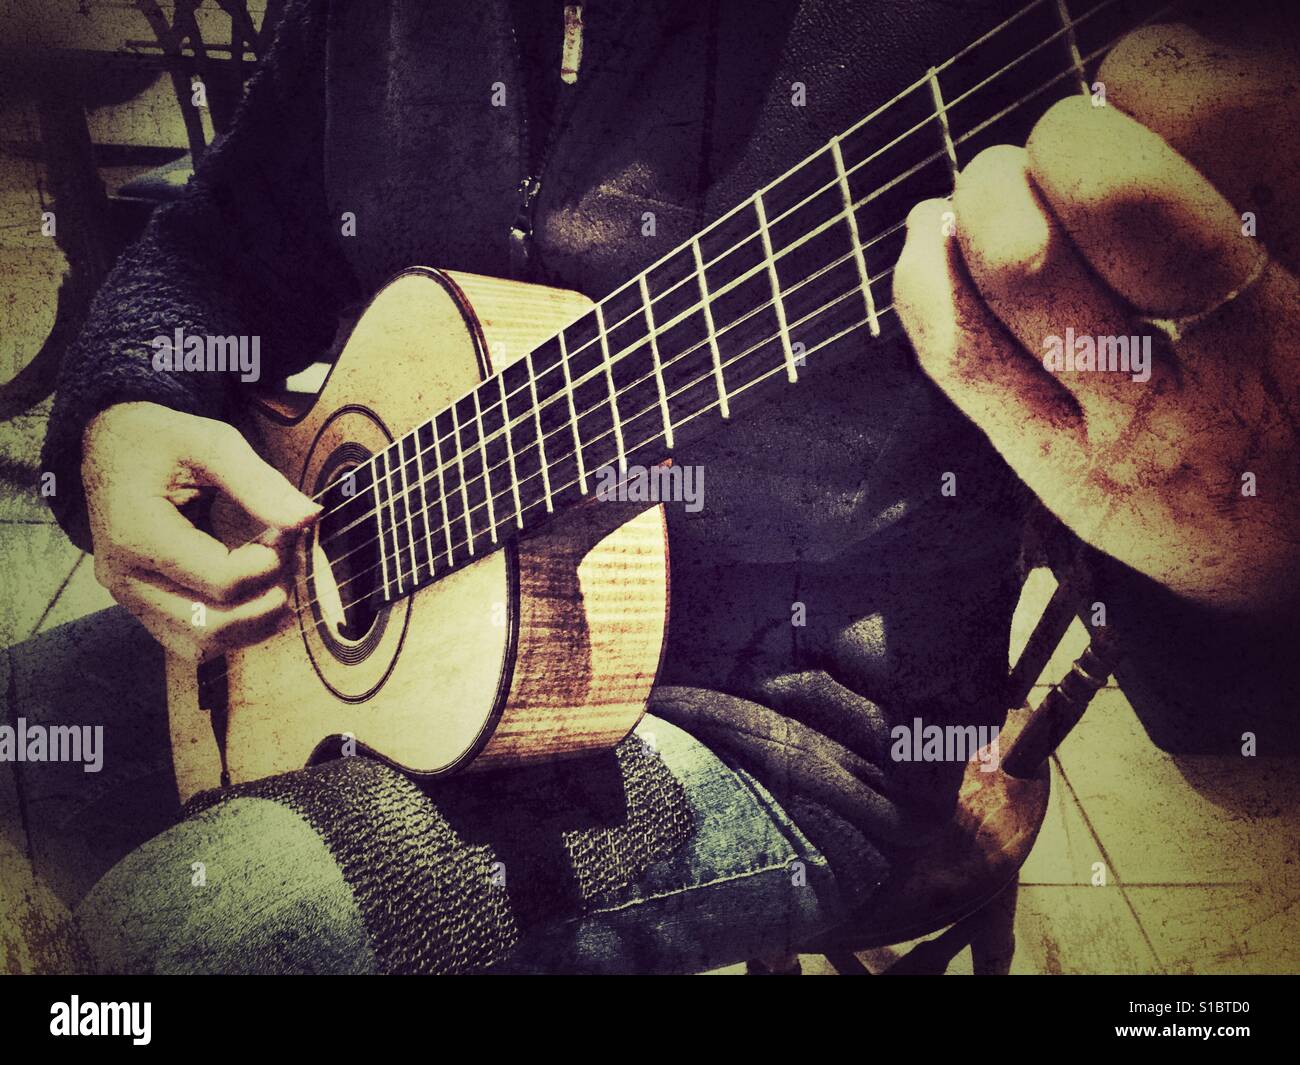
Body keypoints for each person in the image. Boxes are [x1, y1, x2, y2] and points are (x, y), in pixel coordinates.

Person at [4, 0, 1296, 973]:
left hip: (780, 723)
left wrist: (1254, 563)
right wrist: (127, 406)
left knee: (183, 940)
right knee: (23, 729)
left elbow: (1236, 733)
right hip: (363, 558)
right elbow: (223, 237)